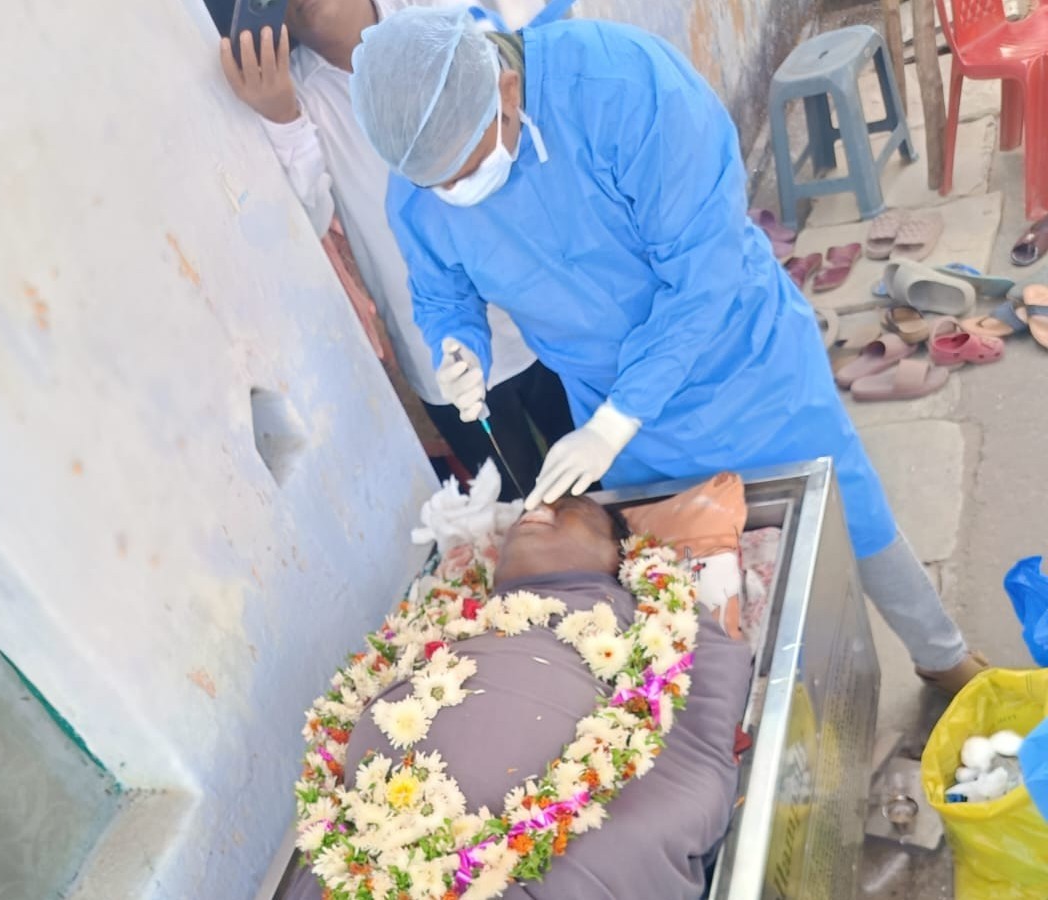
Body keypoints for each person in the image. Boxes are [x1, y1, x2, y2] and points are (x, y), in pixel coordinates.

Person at [346, 6, 985, 693]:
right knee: (698, 560)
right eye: (438, 186)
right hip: (604, 395)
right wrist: (458, 346)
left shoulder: (624, 86)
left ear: (506, 91)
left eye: (467, 170)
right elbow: (442, 291)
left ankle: (941, 655)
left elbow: (703, 270)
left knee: (849, 510)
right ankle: (784, 696)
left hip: (738, 358)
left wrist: (619, 419)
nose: (455, 195)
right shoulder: (419, 180)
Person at [281, 495, 753, 899]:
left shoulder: (648, 613)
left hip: (543, 855)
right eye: (530, 506)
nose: (536, 509)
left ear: (616, 552)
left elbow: (700, 703)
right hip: (367, 861)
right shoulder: (442, 619)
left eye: (567, 508)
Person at [218, 1, 575, 501]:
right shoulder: (290, 95)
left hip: (538, 318)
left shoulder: (436, 17)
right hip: (442, 357)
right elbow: (311, 220)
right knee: (523, 512)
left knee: (614, 492)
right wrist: (282, 119)